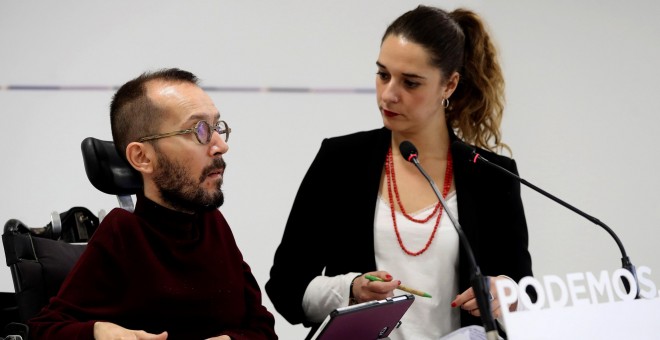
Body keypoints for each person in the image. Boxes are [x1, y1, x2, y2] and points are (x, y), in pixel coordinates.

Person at [266, 5, 533, 339]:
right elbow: (285, 288)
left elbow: (524, 294)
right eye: (382, 75)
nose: (388, 94)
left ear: (449, 85)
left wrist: (505, 294)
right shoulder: (340, 161)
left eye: (410, 82)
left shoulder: (492, 176)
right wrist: (351, 289)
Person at [28, 68, 278, 340]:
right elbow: (44, 329)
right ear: (142, 157)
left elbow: (261, 327)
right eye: (199, 130)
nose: (220, 146)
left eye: (216, 127)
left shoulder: (212, 224)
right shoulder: (123, 233)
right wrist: (99, 332)